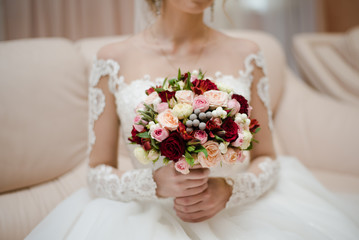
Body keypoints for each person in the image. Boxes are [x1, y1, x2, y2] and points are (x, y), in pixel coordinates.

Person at [27, 0, 359, 239]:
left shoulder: (248, 53)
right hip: (146, 215)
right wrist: (153, 184)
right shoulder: (112, 59)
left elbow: (267, 157)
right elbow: (97, 171)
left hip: (238, 212)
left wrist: (229, 190)